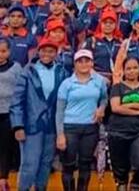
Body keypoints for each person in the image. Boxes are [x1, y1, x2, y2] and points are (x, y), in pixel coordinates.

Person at [11, 37, 69, 191]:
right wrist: (18, 126)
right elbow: (17, 100)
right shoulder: (28, 71)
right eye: (44, 51)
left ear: (56, 53)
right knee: (30, 164)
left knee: (46, 163)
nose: (47, 54)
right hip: (31, 125)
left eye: (51, 51)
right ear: (38, 51)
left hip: (52, 126)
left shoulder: (62, 72)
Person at [55, 49, 108, 191]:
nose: (84, 64)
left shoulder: (99, 81)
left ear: (92, 63)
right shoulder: (67, 84)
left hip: (90, 127)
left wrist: (101, 108)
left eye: (87, 61)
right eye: (80, 61)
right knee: (69, 165)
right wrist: (60, 134)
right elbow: (59, 111)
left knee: (86, 164)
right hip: (70, 127)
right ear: (75, 64)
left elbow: (104, 98)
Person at [109, 56, 139, 191]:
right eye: (128, 68)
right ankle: (122, 184)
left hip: (138, 132)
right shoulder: (117, 87)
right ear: (123, 70)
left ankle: (136, 184)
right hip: (118, 132)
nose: (132, 71)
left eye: (135, 68)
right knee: (121, 168)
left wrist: (128, 105)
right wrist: (138, 111)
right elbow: (115, 108)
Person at [0, 39, 21, 191]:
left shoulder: (16, 68)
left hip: (8, 113)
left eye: (3, 51)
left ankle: (3, 179)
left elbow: (21, 90)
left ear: (9, 52)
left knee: (5, 148)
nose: (0, 54)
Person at [85, 7, 123, 83]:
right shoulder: (92, 41)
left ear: (115, 25)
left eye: (111, 23)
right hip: (96, 78)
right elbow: (85, 62)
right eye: (105, 22)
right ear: (100, 24)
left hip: (117, 78)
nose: (108, 25)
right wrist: (99, 78)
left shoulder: (120, 42)